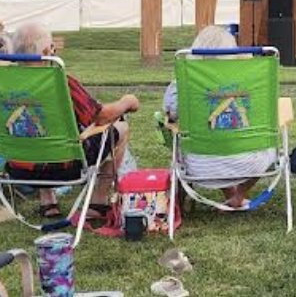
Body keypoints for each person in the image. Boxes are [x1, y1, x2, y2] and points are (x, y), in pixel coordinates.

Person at [6, 23, 140, 219]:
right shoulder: (61, 82)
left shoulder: (4, 85)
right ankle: (98, 201)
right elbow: (101, 116)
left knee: (36, 129)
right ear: (47, 51)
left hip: (19, 169)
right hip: (66, 168)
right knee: (121, 127)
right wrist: (126, 102)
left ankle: (48, 202)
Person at [163, 25, 277, 209]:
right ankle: (238, 195)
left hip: (200, 165)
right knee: (261, 145)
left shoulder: (183, 82)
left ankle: (233, 196)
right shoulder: (248, 81)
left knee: (214, 136)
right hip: (250, 163)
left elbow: (171, 113)